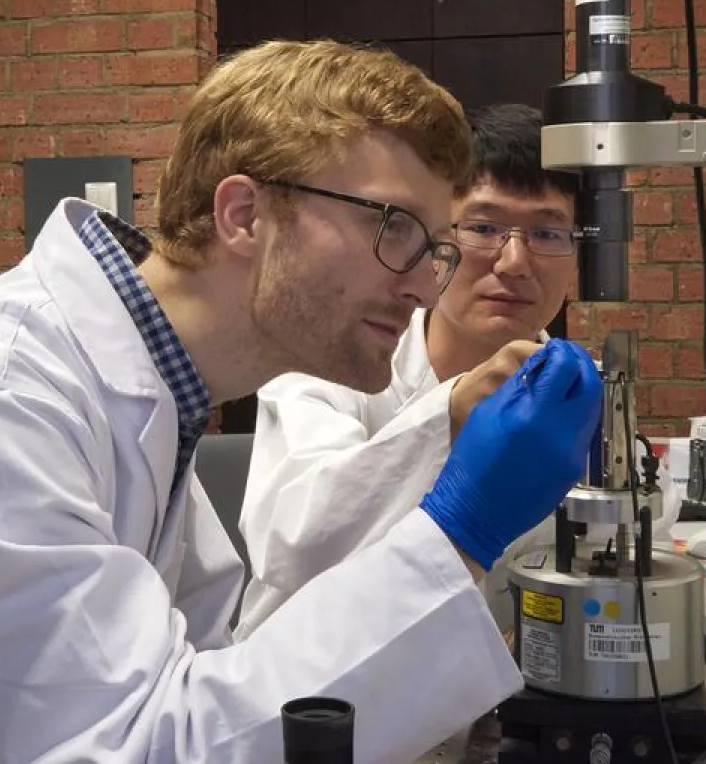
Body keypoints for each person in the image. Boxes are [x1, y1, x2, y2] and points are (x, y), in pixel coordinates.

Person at [0, 41, 603, 764]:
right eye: (394, 229)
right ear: (243, 214)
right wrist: (459, 528)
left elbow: (204, 686)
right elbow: (138, 747)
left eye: (434, 248)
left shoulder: (153, 399)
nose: (426, 283)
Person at [236, 103, 581, 639]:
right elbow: (290, 541)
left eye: (548, 234)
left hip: (494, 706)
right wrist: (451, 415)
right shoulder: (331, 355)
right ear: (437, 238)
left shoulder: (574, 397)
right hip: (311, 698)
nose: (514, 262)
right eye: (484, 227)